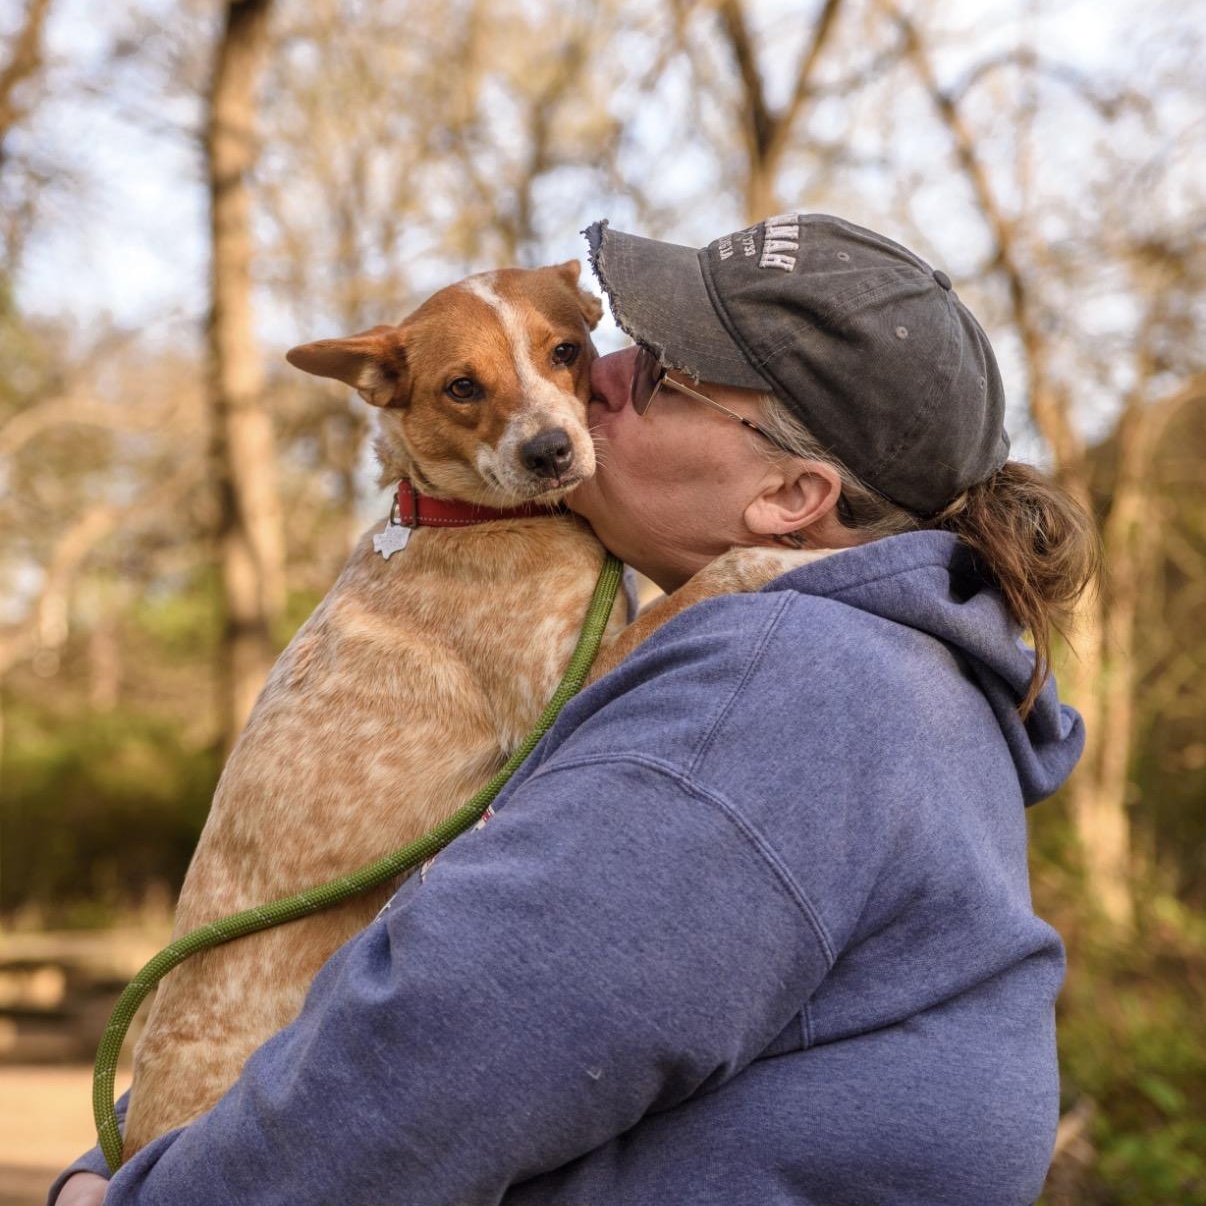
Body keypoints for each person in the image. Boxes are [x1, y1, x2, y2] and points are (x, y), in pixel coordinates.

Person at [53, 213, 1098, 1205]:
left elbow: (439, 1056)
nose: (582, 385)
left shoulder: (768, 693)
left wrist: (121, 1188)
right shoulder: (896, 668)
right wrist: (141, 1147)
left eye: (645, 376)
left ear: (788, 501)